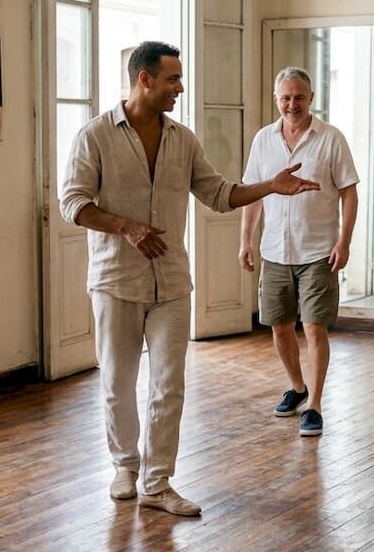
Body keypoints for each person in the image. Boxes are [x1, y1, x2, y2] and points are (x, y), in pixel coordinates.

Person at [60, 42, 319, 516]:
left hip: (172, 283)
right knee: (118, 381)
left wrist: (270, 186)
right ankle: (124, 466)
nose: (180, 88)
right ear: (144, 79)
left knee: (169, 384)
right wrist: (127, 227)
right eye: (172, 79)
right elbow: (73, 203)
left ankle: (157, 483)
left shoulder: (183, 139)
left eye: (179, 79)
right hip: (115, 280)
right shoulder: (94, 136)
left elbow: (218, 194)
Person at [239, 67, 359, 437]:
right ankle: (297, 387)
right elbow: (254, 194)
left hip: (318, 250)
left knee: (314, 327)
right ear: (276, 99)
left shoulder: (331, 138)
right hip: (275, 249)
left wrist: (344, 241)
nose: (293, 104)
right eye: (286, 98)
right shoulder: (263, 139)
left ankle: (315, 405)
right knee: (279, 326)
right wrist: (245, 241)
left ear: (311, 98)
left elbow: (349, 192)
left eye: (299, 97)